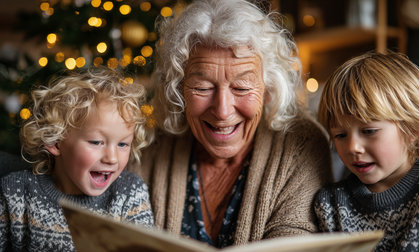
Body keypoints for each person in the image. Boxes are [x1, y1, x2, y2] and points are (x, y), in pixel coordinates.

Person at [127, 0, 332, 248]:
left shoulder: (300, 144)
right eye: (203, 87)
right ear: (179, 88)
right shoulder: (152, 146)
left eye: (242, 87)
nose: (223, 111)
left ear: (269, 88)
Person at [0, 67, 155, 251]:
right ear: (55, 142)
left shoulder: (130, 193)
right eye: (97, 142)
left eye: (122, 144)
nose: (112, 158)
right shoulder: (15, 192)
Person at [314, 51, 419, 251]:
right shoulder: (329, 203)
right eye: (341, 135)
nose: (353, 147)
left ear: (412, 129)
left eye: (369, 131)